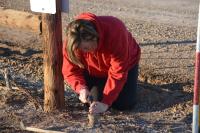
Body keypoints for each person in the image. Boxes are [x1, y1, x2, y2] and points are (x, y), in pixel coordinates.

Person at [62, 12, 141, 114]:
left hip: (126, 64)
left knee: (124, 104)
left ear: (95, 37)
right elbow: (70, 70)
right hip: (92, 69)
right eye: (79, 49)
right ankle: (104, 86)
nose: (82, 52)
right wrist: (81, 88)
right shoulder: (73, 41)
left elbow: (118, 72)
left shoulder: (115, 30)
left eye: (86, 48)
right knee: (89, 101)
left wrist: (106, 102)